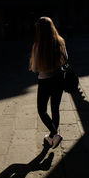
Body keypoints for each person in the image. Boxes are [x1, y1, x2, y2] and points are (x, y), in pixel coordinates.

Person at [29, 16, 68, 149]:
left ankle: (55, 134)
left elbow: (34, 69)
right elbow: (65, 60)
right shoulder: (60, 41)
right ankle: (52, 137)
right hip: (59, 79)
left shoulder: (38, 45)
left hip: (45, 81)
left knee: (42, 110)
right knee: (55, 108)